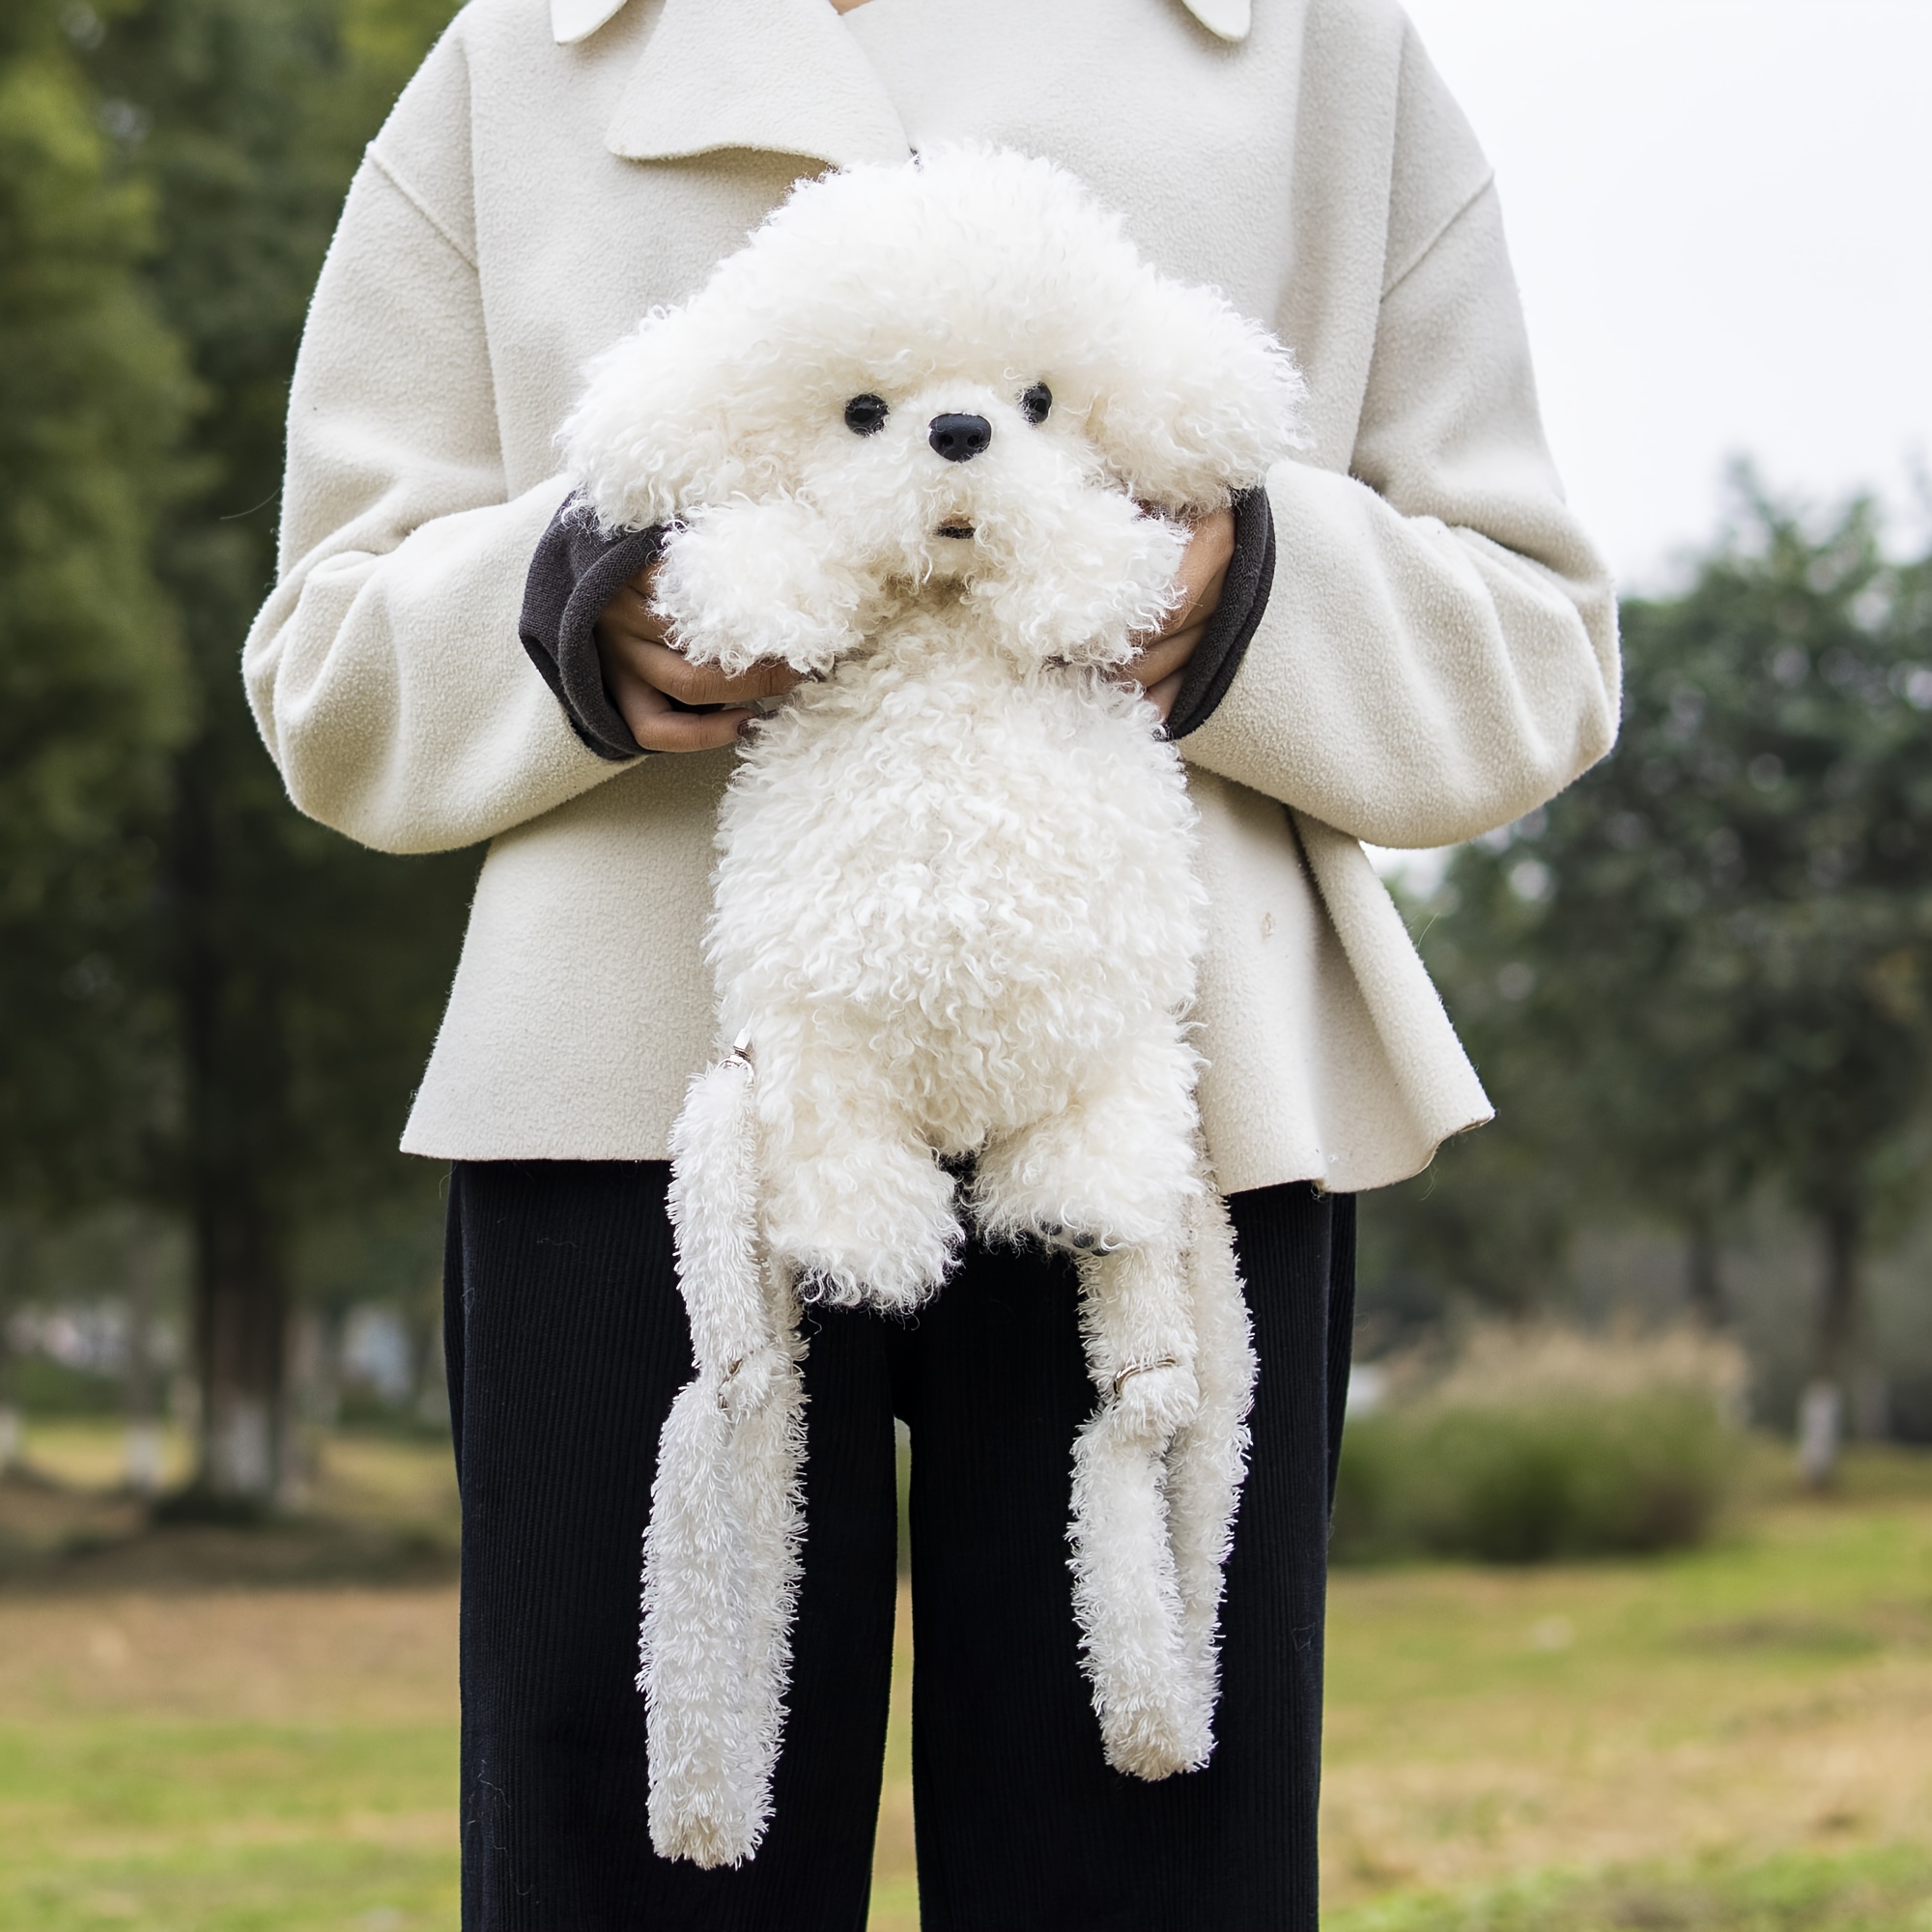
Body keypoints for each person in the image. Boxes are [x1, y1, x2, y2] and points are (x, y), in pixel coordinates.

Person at [244, 0, 1618, 1925]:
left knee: (1148, 1863)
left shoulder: (1314, 49)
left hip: (1158, 1101)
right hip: (640, 1105)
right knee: (630, 1862)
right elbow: (322, 663)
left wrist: (1240, 582)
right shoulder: (523, 55)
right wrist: (587, 605)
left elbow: (1539, 650)